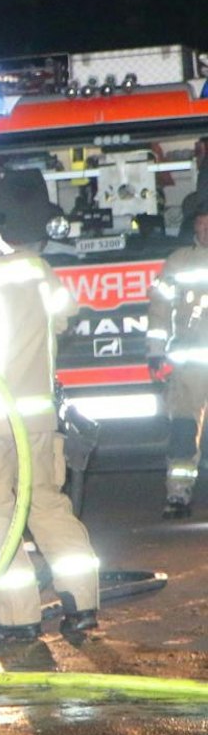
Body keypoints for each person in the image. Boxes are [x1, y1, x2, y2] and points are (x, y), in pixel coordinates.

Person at [0, 182, 102, 645]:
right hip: (37, 415)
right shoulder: (33, 266)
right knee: (49, 503)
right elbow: (65, 315)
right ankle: (82, 603)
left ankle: (18, 614)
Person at [150, 192, 208, 518]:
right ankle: (178, 495)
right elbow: (159, 310)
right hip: (189, 368)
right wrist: (155, 351)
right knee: (184, 432)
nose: (206, 231)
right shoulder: (178, 262)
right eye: (202, 225)